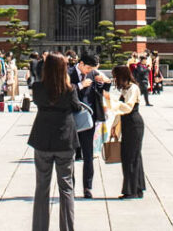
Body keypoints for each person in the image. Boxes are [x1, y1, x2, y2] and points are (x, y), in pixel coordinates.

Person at [29, 52, 81, 231]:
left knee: (41, 187)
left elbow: (38, 101)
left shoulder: (37, 87)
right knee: (66, 188)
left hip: (42, 139)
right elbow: (77, 107)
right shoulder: (70, 89)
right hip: (65, 140)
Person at [69, 52, 110, 198]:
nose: (90, 72)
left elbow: (100, 93)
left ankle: (88, 187)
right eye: (88, 68)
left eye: (92, 69)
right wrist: (80, 85)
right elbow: (64, 90)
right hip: (72, 118)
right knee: (70, 155)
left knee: (88, 154)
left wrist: (104, 83)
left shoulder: (93, 74)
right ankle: (70, 187)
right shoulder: (68, 73)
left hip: (89, 119)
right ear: (81, 64)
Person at [110, 64, 145, 199]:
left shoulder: (133, 88)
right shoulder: (125, 89)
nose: (115, 80)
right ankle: (137, 188)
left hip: (134, 123)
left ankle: (131, 190)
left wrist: (111, 101)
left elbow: (128, 107)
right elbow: (120, 112)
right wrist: (114, 127)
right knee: (130, 156)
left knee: (131, 156)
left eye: (116, 77)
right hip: (127, 123)